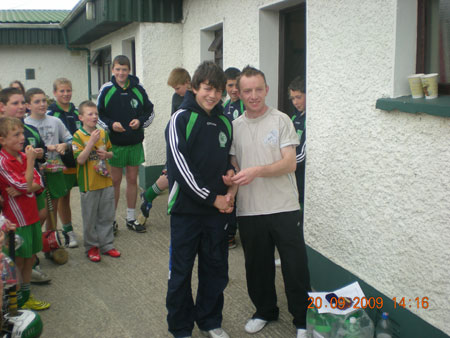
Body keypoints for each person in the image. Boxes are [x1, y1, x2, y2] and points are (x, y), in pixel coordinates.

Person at [229, 66, 311, 338]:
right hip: (250, 209)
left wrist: (256, 170)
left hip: (284, 206)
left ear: (266, 89)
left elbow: (289, 163)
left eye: (258, 89)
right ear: (239, 93)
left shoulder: (281, 120)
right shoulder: (235, 126)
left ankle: (302, 319)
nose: (254, 95)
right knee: (257, 266)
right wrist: (233, 176)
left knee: (295, 267)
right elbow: (234, 160)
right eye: (247, 90)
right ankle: (265, 310)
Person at [165, 61, 234, 338]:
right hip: (187, 211)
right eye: (207, 88)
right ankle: (181, 327)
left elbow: (228, 159)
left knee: (215, 268)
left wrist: (231, 174)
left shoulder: (225, 121)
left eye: (218, 90)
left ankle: (210, 320)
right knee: (181, 272)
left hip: (216, 212)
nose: (213, 95)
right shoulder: (180, 118)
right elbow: (180, 167)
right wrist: (211, 198)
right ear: (194, 88)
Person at [97, 55, 154, 234]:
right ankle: (111, 220)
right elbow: (98, 115)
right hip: (115, 145)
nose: (121, 73)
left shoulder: (138, 88)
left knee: (131, 180)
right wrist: (111, 125)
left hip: (134, 143)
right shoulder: (106, 89)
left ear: (129, 70)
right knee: (114, 181)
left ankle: (130, 218)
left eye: (124, 69)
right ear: (112, 70)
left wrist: (140, 122)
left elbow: (150, 112)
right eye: (117, 69)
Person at [0, 87, 50, 284]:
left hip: (28, 202)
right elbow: (21, 183)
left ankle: (25, 290)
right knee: (15, 258)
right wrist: (25, 184)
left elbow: (36, 181)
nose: (21, 107)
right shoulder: (5, 154)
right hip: (13, 212)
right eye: (15, 103)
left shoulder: (28, 131)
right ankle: (15, 299)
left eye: (23, 102)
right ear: (2, 107)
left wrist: (27, 187)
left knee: (28, 254)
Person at [140, 67, 191, 222]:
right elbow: (174, 121)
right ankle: (149, 197)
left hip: (189, 142)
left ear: (188, 83)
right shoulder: (177, 97)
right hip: (177, 141)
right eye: (174, 89)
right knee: (170, 174)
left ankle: (149, 196)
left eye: (177, 88)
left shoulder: (196, 96)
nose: (176, 91)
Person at [72, 101, 120, 262]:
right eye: (90, 114)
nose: (94, 117)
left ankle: (107, 245)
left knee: (106, 215)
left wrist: (107, 155)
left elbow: (112, 152)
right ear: (81, 117)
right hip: (89, 184)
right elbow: (79, 159)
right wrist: (91, 142)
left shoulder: (103, 133)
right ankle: (91, 246)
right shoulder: (78, 136)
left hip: (105, 181)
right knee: (90, 217)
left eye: (96, 114)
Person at [24, 88, 72, 233]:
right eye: (37, 101)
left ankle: (51, 240)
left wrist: (64, 145)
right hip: (36, 171)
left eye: (44, 100)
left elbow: (70, 139)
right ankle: (35, 239)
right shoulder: (25, 123)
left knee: (53, 207)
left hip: (54, 167)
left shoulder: (55, 121)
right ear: (28, 105)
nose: (42, 104)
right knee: (41, 209)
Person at [47, 78, 80, 248]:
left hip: (81, 161)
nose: (66, 94)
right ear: (55, 93)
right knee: (63, 197)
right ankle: (68, 231)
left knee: (88, 194)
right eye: (62, 91)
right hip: (63, 162)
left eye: (68, 90)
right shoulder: (51, 114)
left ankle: (94, 228)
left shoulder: (77, 112)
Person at [222, 67, 245, 249]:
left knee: (243, 195)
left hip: (245, 156)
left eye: (237, 85)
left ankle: (241, 231)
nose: (234, 89)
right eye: (230, 85)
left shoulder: (245, 104)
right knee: (231, 193)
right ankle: (230, 233)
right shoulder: (225, 106)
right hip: (229, 156)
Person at [288, 76, 306, 222]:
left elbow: (303, 153)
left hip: (302, 173)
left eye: (299, 97)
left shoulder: (310, 120)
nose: (295, 102)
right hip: (292, 172)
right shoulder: (295, 119)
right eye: (293, 98)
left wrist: (286, 163)